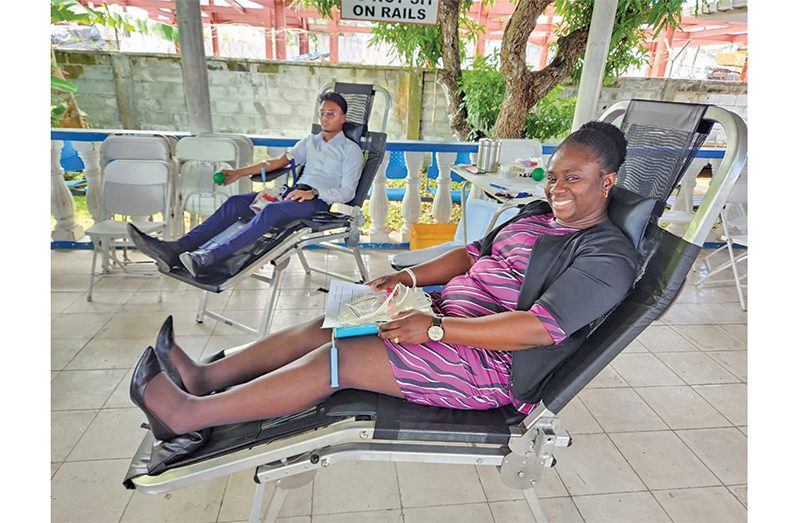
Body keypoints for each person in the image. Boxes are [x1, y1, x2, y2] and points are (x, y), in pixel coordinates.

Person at [130, 122, 642, 441]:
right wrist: (406, 278)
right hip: (444, 315)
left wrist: (436, 329)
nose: (557, 188)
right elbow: (470, 255)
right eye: (553, 176)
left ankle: (188, 415)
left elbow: (536, 330)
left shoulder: (606, 256)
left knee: (340, 359)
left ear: (608, 180)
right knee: (329, 324)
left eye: (572, 178)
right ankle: (204, 379)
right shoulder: (534, 214)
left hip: (494, 363)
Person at [128, 91, 363, 277]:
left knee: (271, 210)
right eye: (322, 113)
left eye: (331, 114)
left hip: (318, 203)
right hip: (292, 196)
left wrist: (314, 192)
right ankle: (175, 249)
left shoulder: (350, 150)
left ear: (343, 118)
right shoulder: (310, 142)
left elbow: (347, 192)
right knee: (235, 203)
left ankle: (209, 258)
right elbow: (277, 162)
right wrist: (237, 173)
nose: (324, 118)